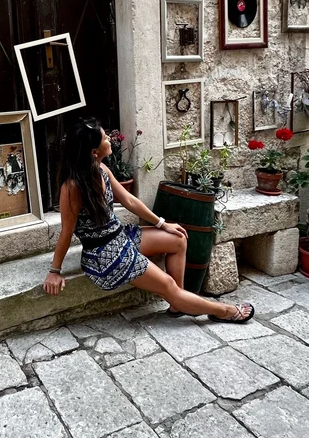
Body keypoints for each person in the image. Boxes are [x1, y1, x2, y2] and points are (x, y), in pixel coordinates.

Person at [43, 118, 255, 323]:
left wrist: (162, 223)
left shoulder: (101, 169)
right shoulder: (72, 187)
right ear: (93, 151)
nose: (110, 140)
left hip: (120, 237)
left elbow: (129, 201)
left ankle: (177, 303)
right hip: (104, 256)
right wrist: (54, 271)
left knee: (178, 239)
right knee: (168, 285)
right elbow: (66, 231)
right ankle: (224, 310)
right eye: (105, 138)